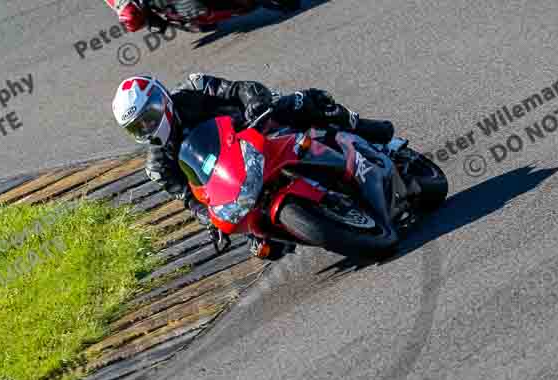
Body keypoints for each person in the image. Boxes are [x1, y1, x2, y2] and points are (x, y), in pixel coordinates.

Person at [111, 74, 398, 259]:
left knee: (299, 103)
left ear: (160, 100)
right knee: (264, 248)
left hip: (256, 130)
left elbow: (240, 88)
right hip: (234, 181)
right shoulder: (158, 166)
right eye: (138, 126)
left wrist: (255, 105)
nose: (148, 127)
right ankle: (322, 219)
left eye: (148, 116)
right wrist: (210, 220)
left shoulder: (195, 89)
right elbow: (190, 199)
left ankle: (358, 126)